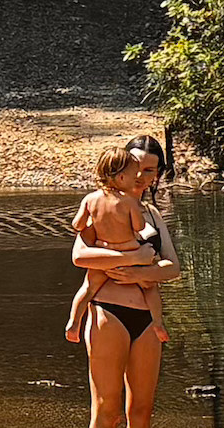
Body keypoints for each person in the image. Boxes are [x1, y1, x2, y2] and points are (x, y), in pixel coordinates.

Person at [69, 135, 181, 428]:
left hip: (145, 319)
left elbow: (172, 267)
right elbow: (80, 254)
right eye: (136, 167)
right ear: (119, 168)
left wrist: (137, 272)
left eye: (150, 170)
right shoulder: (100, 204)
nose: (141, 177)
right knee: (107, 409)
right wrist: (133, 257)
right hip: (107, 313)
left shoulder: (151, 215)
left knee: (142, 410)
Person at [65, 146, 169, 346]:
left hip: (104, 255)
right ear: (121, 178)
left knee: (88, 288)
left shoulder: (90, 199)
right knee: (150, 287)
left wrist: (89, 225)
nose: (137, 178)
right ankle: (158, 323)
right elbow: (139, 227)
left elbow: (77, 224)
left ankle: (74, 322)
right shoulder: (128, 202)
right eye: (133, 175)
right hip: (129, 251)